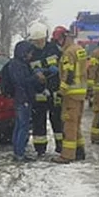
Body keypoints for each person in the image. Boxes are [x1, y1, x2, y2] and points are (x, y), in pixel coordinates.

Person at [27, 22, 64, 156]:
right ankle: (40, 149)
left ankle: (61, 145)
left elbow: (64, 66)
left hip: (55, 89)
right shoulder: (30, 52)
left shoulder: (55, 49)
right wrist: (36, 74)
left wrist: (56, 72)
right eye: (36, 41)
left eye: (40, 40)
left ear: (45, 38)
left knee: (57, 119)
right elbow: (26, 69)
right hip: (38, 91)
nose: (38, 43)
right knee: (38, 121)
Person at [52, 26, 88, 163]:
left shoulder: (68, 53)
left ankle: (67, 155)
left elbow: (69, 74)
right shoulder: (79, 50)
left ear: (64, 38)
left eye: (59, 40)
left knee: (69, 125)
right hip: (80, 93)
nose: (58, 43)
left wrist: (61, 91)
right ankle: (79, 151)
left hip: (71, 94)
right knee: (76, 123)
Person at [7, 39, 40, 162]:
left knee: (19, 125)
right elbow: (22, 81)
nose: (31, 55)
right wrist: (35, 77)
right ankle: (20, 153)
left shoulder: (16, 64)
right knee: (23, 127)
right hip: (23, 99)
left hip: (20, 99)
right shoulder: (18, 65)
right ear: (23, 52)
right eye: (29, 53)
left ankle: (17, 152)